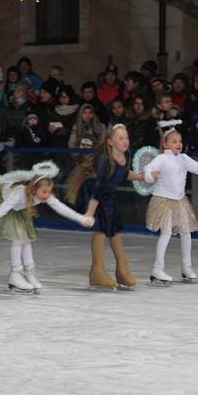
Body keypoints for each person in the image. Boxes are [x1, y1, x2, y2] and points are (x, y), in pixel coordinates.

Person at [0, 161, 94, 293]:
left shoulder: (43, 194)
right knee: (19, 239)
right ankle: (15, 274)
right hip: (6, 204)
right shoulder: (18, 193)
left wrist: (81, 218)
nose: (47, 195)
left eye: (50, 191)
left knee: (26, 240)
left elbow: (60, 207)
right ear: (33, 189)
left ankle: (29, 273)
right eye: (44, 191)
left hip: (20, 208)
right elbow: (1, 211)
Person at [143, 122, 198, 284]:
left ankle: (186, 267)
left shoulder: (183, 159)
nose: (178, 144)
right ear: (165, 144)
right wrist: (149, 176)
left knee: (186, 233)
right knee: (166, 233)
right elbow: (147, 170)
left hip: (180, 201)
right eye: (174, 141)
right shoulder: (161, 159)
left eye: (180, 141)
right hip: (164, 201)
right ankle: (157, 268)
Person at [67, 124, 145, 291]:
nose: (125, 141)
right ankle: (97, 271)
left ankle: (122, 269)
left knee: (114, 228)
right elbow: (98, 188)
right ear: (110, 142)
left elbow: (123, 173)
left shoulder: (126, 155)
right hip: (93, 193)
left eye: (126, 138)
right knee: (101, 228)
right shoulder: (105, 161)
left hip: (107, 195)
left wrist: (140, 177)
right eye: (120, 138)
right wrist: (90, 213)